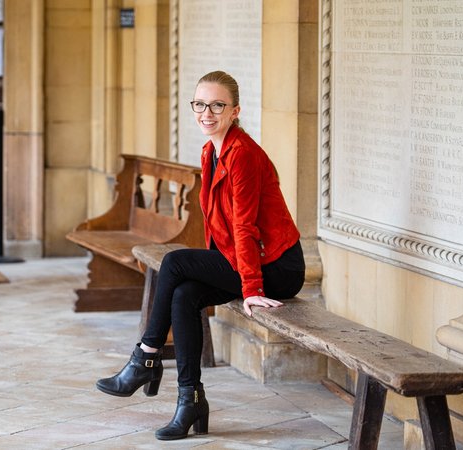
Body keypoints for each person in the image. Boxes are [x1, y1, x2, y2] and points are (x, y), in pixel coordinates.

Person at [95, 70, 306, 441]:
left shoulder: (243, 155)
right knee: (185, 292)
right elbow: (216, 223)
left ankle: (145, 357)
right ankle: (189, 400)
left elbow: (244, 226)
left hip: (278, 266)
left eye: (217, 105)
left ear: (235, 110)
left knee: (175, 262)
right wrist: (209, 274)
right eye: (199, 104)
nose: (206, 113)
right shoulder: (211, 150)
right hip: (242, 260)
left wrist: (251, 287)